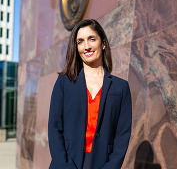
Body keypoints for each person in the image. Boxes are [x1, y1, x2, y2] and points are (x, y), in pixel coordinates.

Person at [48, 19, 132, 169]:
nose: (86, 46)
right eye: (80, 42)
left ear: (103, 43)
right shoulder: (64, 82)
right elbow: (54, 128)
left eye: (92, 39)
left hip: (102, 163)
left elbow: (122, 136)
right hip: (66, 163)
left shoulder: (121, 87)